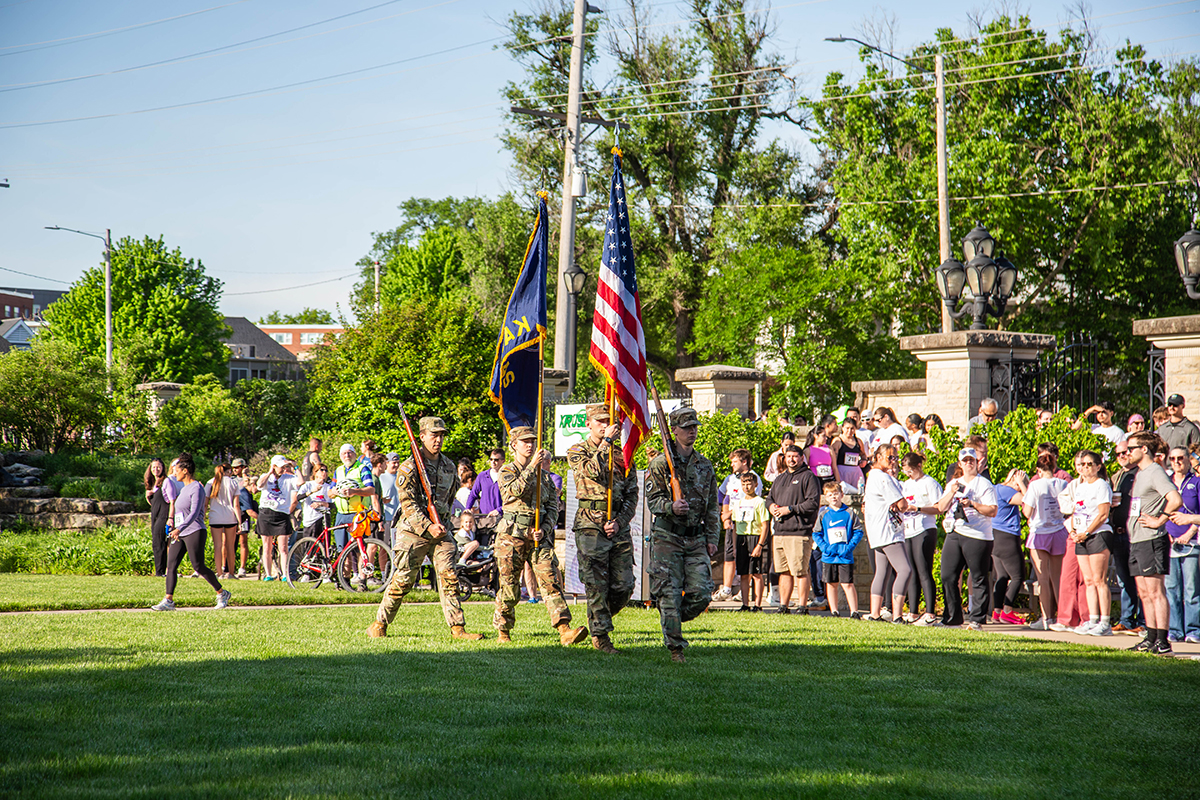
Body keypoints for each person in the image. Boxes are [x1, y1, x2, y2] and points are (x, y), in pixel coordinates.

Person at [368, 417, 484, 641]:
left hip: (440, 531)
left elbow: (449, 500)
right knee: (403, 580)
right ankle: (379, 623)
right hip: (413, 531)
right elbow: (408, 504)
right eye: (434, 435)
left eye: (441, 435)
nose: (438, 440)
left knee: (449, 576)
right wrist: (428, 526)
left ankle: (458, 628)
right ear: (422, 437)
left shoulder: (450, 466)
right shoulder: (409, 467)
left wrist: (443, 526)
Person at [490, 426, 584, 645]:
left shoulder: (545, 476)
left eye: (532, 441)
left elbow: (553, 505)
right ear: (514, 445)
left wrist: (546, 527)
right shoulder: (507, 471)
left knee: (551, 580)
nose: (530, 445)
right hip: (511, 537)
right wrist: (532, 466)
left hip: (538, 538)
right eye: (525, 441)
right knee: (509, 585)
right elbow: (515, 491)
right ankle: (503, 630)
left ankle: (564, 629)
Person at [646, 407, 719, 662]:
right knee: (669, 591)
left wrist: (712, 538)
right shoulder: (659, 464)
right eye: (686, 427)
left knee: (702, 593)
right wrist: (671, 507)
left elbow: (712, 506)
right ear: (673, 430)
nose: (692, 431)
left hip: (696, 538)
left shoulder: (704, 465)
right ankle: (676, 647)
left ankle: (671, 616)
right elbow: (652, 501)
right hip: (667, 537)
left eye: (694, 426)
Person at [566, 403, 638, 653]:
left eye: (609, 422)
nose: (605, 425)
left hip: (616, 523)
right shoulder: (577, 450)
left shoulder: (622, 454)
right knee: (596, 583)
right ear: (588, 423)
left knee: (624, 585)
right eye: (599, 421)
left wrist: (620, 521)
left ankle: (598, 619)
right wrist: (606, 442)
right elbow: (592, 471)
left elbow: (632, 493)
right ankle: (601, 636)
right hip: (590, 525)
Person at [1125, 431, 1182, 655]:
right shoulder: (1141, 473)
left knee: (1156, 591)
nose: (1128, 453)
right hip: (1137, 539)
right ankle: (1150, 638)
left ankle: (1163, 641)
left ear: (1144, 449)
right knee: (1144, 592)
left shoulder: (1156, 471)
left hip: (1151, 539)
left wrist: (1160, 520)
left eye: (1131, 448)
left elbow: (1175, 498)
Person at [151, 453, 230, 611]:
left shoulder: (197, 488)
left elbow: (194, 513)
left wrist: (180, 528)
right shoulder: (184, 489)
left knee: (198, 565)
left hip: (195, 530)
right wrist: (174, 526)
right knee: (171, 565)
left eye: (177, 470)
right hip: (180, 532)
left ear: (185, 471)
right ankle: (168, 600)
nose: (175, 473)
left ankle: (222, 593)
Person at [935, 448, 997, 630]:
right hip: (956, 531)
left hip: (978, 535)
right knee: (947, 575)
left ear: (977, 463)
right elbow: (941, 507)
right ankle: (953, 617)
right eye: (965, 460)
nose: (969, 463)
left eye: (972, 460)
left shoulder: (984, 484)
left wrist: (973, 504)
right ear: (960, 464)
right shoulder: (954, 483)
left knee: (978, 577)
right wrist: (951, 492)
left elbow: (992, 510)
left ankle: (976, 619)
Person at [766, 444, 821, 614]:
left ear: (802, 458)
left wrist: (790, 509)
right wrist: (772, 507)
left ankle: (802, 607)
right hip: (780, 532)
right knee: (783, 572)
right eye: (788, 456)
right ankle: (784, 606)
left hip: (799, 533)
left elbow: (812, 503)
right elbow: (769, 499)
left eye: (795, 456)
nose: (791, 459)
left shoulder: (809, 477)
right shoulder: (780, 478)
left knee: (800, 571)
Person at [1066, 449, 1114, 636]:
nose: (1085, 468)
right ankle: (1092, 619)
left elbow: (1103, 514)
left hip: (1097, 534)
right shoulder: (1080, 486)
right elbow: (1076, 512)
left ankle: (1105, 621)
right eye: (1082, 464)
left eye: (1089, 464)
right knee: (1087, 580)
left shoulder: (1101, 485)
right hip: (1081, 535)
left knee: (1099, 579)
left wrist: (1087, 532)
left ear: (1097, 466)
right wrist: (1075, 531)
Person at [863, 445, 913, 623]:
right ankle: (898, 615)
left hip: (877, 531)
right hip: (888, 531)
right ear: (878, 457)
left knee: (882, 572)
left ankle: (875, 613)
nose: (893, 461)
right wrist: (903, 503)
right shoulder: (883, 477)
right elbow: (902, 505)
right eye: (889, 457)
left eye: (895, 458)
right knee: (905, 570)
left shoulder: (872, 476)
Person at [1022, 452, 1070, 631]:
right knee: (1057, 578)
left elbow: (1027, 512)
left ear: (1038, 470)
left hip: (1040, 531)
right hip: (1059, 530)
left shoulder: (1035, 485)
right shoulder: (1063, 483)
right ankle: (1062, 617)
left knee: (1043, 578)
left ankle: (1046, 618)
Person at [714, 449, 763, 603]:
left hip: (747, 524)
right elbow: (724, 496)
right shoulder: (730, 479)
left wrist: (729, 514)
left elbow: (751, 502)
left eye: (734, 461)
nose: (732, 464)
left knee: (747, 558)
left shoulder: (755, 479)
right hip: (732, 523)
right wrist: (725, 516)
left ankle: (745, 592)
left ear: (744, 462)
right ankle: (727, 589)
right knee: (729, 555)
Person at [900, 452, 942, 626]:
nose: (908, 474)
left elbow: (939, 507)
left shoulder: (930, 483)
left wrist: (917, 508)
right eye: (905, 471)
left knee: (924, 569)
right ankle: (913, 611)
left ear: (918, 466)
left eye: (910, 470)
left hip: (924, 528)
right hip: (908, 530)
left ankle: (930, 612)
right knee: (911, 572)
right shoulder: (906, 484)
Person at [1164, 447, 1200, 644]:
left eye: (1180, 458)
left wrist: (1189, 532)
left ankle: (1193, 630)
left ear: (1188, 460)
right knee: (1171, 588)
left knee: (1191, 590)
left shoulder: (1196, 482)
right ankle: (1175, 630)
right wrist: (1166, 533)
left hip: (1191, 541)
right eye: (1173, 458)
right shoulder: (1166, 482)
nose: (1177, 461)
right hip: (1169, 541)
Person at [1109, 440, 1145, 634]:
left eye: (1126, 452)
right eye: (1118, 454)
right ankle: (1126, 619)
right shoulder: (1117, 476)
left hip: (1135, 533)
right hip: (1118, 533)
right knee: (1124, 580)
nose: (1122, 456)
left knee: (1140, 578)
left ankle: (1143, 620)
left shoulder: (1140, 474)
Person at [813, 482, 864, 618]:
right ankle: (834, 611)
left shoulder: (849, 513)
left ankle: (854, 612)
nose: (833, 497)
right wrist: (824, 547)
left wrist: (849, 547)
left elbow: (858, 531)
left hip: (845, 556)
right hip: (829, 556)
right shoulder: (823, 514)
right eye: (830, 495)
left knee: (847, 583)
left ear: (841, 495)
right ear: (826, 497)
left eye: (836, 494)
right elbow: (816, 533)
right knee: (831, 584)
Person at [990, 468, 1028, 625]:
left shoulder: (996, 488)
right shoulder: (1006, 491)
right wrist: (1021, 484)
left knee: (1003, 576)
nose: (1021, 487)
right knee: (1019, 576)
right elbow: (1028, 502)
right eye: (1021, 484)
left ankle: (997, 611)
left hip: (995, 536)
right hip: (1007, 537)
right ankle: (1007, 610)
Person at [729, 473, 770, 612]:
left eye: (749, 484)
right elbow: (735, 527)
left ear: (755, 485)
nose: (747, 487)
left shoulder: (759, 502)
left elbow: (765, 525)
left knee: (756, 574)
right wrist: (734, 547)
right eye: (744, 484)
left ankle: (758, 605)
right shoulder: (738, 503)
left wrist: (760, 545)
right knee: (744, 574)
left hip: (755, 537)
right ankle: (745, 604)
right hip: (742, 539)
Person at [255, 455, 299, 581]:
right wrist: (270, 472)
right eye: (280, 467)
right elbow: (259, 485)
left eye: (284, 466)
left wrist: (295, 467)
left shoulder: (289, 477)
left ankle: (285, 574)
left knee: (283, 547)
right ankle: (268, 574)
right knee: (267, 546)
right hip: (266, 513)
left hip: (282, 514)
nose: (283, 469)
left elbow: (300, 482)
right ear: (274, 466)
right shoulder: (266, 476)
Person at [332, 444, 375, 551]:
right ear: (340, 456)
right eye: (344, 453)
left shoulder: (362, 468)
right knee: (342, 552)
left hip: (357, 514)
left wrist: (354, 491)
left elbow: (371, 490)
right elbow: (329, 492)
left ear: (355, 454)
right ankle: (343, 568)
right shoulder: (338, 470)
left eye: (349, 452)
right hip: (341, 514)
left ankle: (362, 568)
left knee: (359, 550)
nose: (347, 455)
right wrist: (334, 492)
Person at [205, 458, 241, 580]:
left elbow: (205, 503)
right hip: (230, 517)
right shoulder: (233, 483)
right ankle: (231, 573)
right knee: (231, 546)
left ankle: (219, 573)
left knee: (218, 546)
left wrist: (203, 516)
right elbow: (236, 505)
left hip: (215, 517)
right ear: (229, 471)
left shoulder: (211, 482)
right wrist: (239, 521)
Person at [465, 449, 505, 546]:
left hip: (501, 519)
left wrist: (499, 510)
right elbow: (473, 494)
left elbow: (512, 500)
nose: (493, 462)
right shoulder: (483, 476)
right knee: (484, 547)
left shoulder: (506, 476)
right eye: (491, 459)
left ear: (503, 461)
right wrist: (467, 508)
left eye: (496, 460)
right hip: (484, 519)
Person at [144, 458, 170, 578]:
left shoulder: (165, 481)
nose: (156, 469)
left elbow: (170, 500)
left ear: (163, 468)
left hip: (163, 514)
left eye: (158, 467)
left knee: (159, 541)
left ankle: (160, 571)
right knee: (156, 541)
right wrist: (148, 496)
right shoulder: (152, 483)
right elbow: (154, 503)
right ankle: (159, 570)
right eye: (154, 467)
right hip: (155, 514)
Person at [296, 464, 336, 539]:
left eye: (326, 470)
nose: (324, 472)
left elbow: (334, 505)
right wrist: (311, 491)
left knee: (324, 545)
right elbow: (298, 498)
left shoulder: (328, 487)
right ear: (315, 472)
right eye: (321, 470)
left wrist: (322, 504)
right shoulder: (308, 485)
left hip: (323, 518)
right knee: (310, 545)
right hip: (310, 519)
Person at [830, 418, 866, 496]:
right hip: (842, 472)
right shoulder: (838, 441)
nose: (849, 431)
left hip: (856, 473)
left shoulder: (858, 441)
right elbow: (833, 460)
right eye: (847, 428)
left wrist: (864, 460)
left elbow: (863, 454)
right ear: (842, 428)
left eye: (852, 428)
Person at [232, 458, 256, 578]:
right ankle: (227, 566)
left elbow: (253, 490)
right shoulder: (231, 480)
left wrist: (247, 476)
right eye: (234, 468)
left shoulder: (248, 480)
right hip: (232, 513)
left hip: (244, 514)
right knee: (229, 542)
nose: (235, 470)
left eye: (238, 467)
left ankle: (242, 567)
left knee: (243, 541)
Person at [378, 453, 401, 545]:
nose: (396, 465)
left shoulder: (400, 476)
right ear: (387, 463)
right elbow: (375, 496)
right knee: (385, 545)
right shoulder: (381, 477)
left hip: (399, 517)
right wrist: (382, 500)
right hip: (387, 516)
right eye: (394, 463)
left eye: (398, 463)